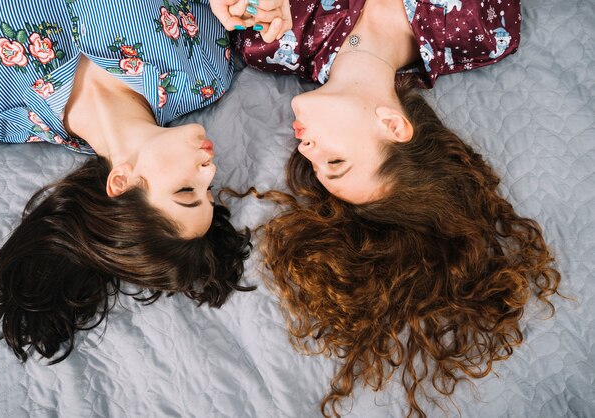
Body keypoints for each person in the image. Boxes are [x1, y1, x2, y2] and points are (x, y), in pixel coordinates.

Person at [212, 0, 561, 416]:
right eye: (336, 162)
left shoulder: (266, 39)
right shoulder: (483, 30)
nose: (306, 150)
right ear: (393, 126)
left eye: (317, 166)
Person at [0, 0, 254, 364]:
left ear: (121, 181)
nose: (210, 171)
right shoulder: (206, 72)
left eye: (186, 191)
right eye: (208, 191)